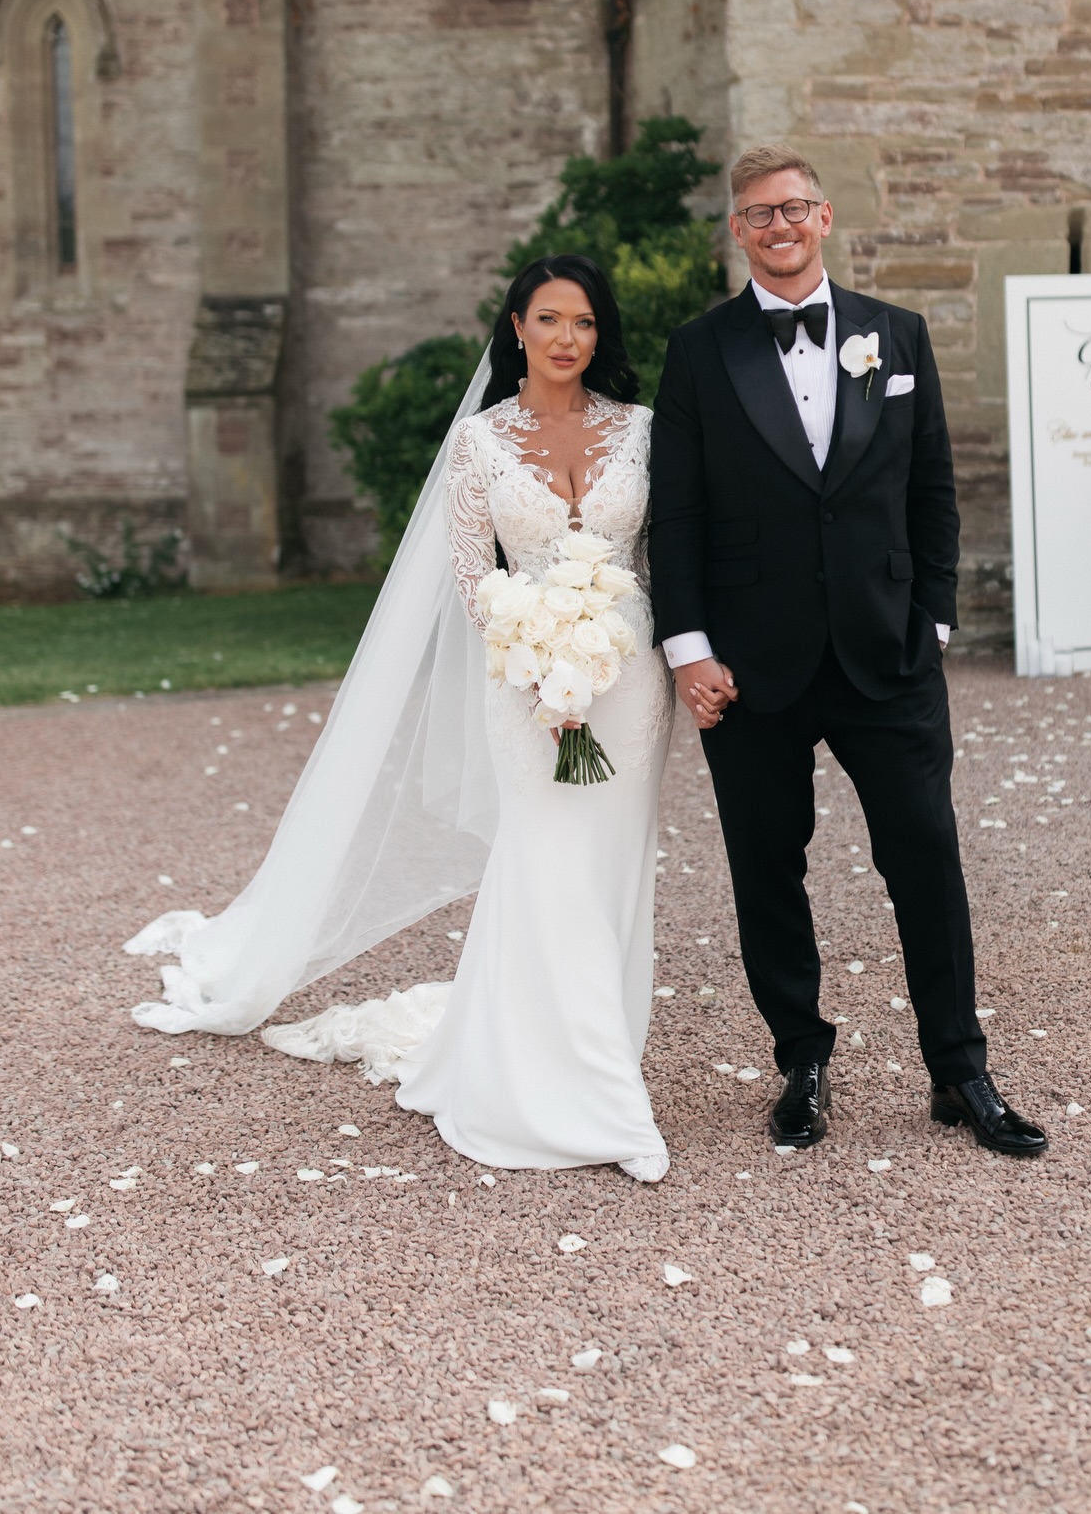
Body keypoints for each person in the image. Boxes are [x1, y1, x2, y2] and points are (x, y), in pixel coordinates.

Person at [127, 255, 685, 1183]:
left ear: (601, 334)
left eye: (584, 323)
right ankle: (597, 1106)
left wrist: (657, 662)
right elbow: (475, 579)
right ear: (516, 329)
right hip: (523, 682)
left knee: (615, 868)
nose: (566, 338)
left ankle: (598, 1054)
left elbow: (664, 559)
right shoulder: (479, 445)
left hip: (631, 690)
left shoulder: (645, 431)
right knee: (546, 861)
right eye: (548, 319)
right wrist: (538, 664)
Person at [648, 144, 1048, 1159]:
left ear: (824, 217)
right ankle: (802, 1057)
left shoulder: (896, 334)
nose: (777, 226)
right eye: (756, 214)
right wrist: (690, 648)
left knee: (926, 858)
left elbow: (934, 493)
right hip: (750, 667)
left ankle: (960, 1070)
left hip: (887, 658)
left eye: (794, 208)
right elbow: (680, 514)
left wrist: (938, 622)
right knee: (766, 868)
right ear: (737, 231)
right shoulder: (699, 351)